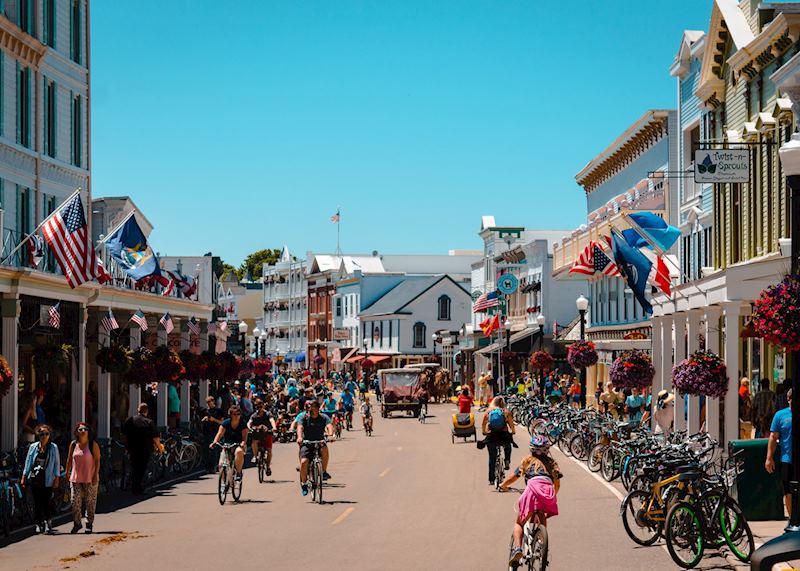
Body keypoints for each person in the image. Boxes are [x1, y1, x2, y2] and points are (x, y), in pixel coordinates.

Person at [501, 435, 561, 566]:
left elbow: (514, 477)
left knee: (519, 523)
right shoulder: (552, 463)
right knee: (541, 515)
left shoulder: (527, 461)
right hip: (547, 493)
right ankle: (541, 545)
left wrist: (503, 485)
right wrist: (552, 496)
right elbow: (557, 485)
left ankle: (517, 549)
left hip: (532, 491)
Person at [21, 424, 61, 534]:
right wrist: (24, 476)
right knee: (37, 502)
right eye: (42, 434)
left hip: (48, 478)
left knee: (46, 501)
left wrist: (57, 477)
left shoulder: (53, 447)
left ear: (49, 435)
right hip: (35, 478)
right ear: (38, 435)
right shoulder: (33, 447)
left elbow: (57, 463)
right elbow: (28, 462)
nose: (44, 436)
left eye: (46, 434)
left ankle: (48, 523)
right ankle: (38, 523)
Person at [64, 422, 101, 534]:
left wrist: (95, 475)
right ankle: (77, 523)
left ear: (88, 432)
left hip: (90, 477)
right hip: (76, 478)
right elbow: (69, 459)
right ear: (77, 432)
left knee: (90, 502)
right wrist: (67, 472)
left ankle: (89, 524)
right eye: (80, 429)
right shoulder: (73, 444)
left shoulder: (93, 444)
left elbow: (97, 460)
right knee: (75, 501)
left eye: (85, 429)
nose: (83, 431)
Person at [122, 403, 162, 495]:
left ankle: (134, 487)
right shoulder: (149, 422)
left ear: (138, 410)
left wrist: (126, 446)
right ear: (147, 411)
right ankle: (138, 488)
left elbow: (123, 434)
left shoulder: (130, 420)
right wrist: (159, 448)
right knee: (141, 468)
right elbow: (155, 438)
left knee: (134, 466)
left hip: (132, 448)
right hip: (145, 449)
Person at [297, 401, 334, 496]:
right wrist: (300, 437)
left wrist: (330, 435)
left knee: (324, 449)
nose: (312, 409)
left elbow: (329, 425)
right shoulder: (304, 417)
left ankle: (323, 471)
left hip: (319, 442)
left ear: (318, 408)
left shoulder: (323, 417)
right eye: (310, 407)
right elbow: (300, 427)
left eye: (314, 407)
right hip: (307, 443)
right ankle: (304, 484)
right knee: (304, 462)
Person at [766, 389, 793, 517]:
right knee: (788, 492)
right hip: (787, 460)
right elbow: (773, 437)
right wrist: (769, 458)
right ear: (788, 399)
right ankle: (793, 519)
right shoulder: (780, 415)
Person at [481, 397, 515, 485]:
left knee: (492, 457)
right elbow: (511, 424)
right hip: (503, 435)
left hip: (492, 435)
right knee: (508, 446)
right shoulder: (506, 411)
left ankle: (491, 479)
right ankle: (507, 460)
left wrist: (484, 432)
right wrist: (513, 431)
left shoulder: (489, 411)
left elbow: (484, 423)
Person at [210, 405, 249, 482]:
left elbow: (244, 437)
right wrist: (214, 442)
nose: (236, 416)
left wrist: (243, 443)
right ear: (230, 415)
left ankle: (238, 473)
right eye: (234, 414)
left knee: (239, 452)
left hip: (238, 444)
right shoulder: (226, 423)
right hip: (227, 445)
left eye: (238, 414)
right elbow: (219, 434)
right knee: (221, 465)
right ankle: (225, 483)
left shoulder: (243, 423)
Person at [248, 399, 277, 476]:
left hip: (267, 433)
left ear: (263, 406)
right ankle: (255, 456)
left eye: (260, 406)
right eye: (257, 407)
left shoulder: (268, 414)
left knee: (269, 450)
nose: (259, 408)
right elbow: (249, 422)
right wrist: (249, 428)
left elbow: (272, 420)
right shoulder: (254, 415)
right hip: (257, 434)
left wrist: (274, 427)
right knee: (254, 442)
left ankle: (268, 466)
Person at [201, 396, 225, 472]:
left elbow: (222, 422)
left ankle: (213, 466)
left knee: (214, 450)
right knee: (206, 450)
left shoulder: (219, 411)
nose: (208, 404)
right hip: (207, 432)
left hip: (215, 432)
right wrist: (204, 419)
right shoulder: (206, 411)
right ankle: (207, 467)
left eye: (209, 402)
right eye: (207, 403)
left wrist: (214, 420)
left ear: (213, 401)